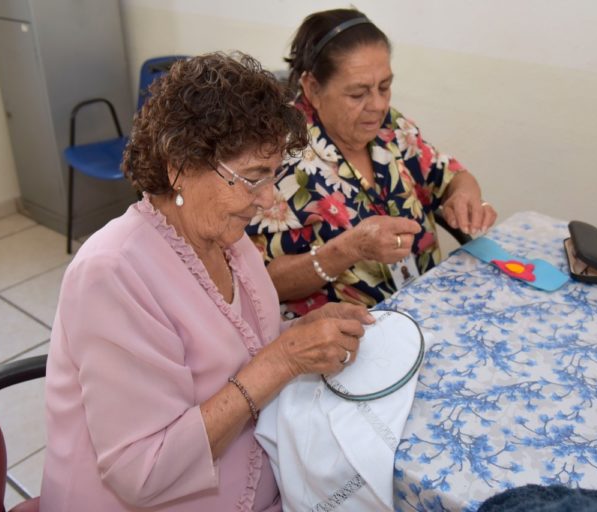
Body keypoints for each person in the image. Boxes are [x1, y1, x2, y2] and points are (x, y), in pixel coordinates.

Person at [40, 52, 374, 512]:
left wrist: (303, 332)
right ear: (180, 166)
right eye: (252, 178)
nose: (268, 199)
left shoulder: (228, 240)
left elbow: (241, 345)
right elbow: (143, 473)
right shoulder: (112, 273)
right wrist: (283, 360)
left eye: (272, 176)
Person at [246, 8, 498, 317]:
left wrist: (464, 195)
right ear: (312, 88)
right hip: (349, 331)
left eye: (385, 87)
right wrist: (347, 249)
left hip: (428, 304)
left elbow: (450, 175)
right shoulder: (279, 158)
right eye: (358, 94)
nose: (378, 105)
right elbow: (259, 285)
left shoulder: (390, 128)